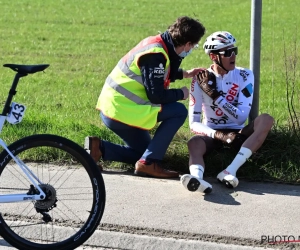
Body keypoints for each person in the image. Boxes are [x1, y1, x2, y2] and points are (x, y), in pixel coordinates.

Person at [84, 16, 206, 179]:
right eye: (194, 46)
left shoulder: (157, 44)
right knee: (178, 111)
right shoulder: (155, 54)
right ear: (188, 44)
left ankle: (98, 148)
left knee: (145, 152)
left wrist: (185, 73)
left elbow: (156, 73)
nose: (192, 49)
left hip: (114, 107)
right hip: (123, 110)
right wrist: (181, 94)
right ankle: (149, 164)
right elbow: (156, 95)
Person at [181, 31, 274, 193]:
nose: (233, 56)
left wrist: (214, 95)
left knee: (266, 119)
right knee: (193, 143)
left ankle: (230, 171)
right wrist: (219, 135)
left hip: (238, 131)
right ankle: (197, 179)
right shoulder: (199, 79)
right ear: (213, 56)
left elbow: (241, 117)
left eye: (234, 51)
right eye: (228, 52)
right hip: (212, 133)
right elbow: (193, 123)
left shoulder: (245, 75)